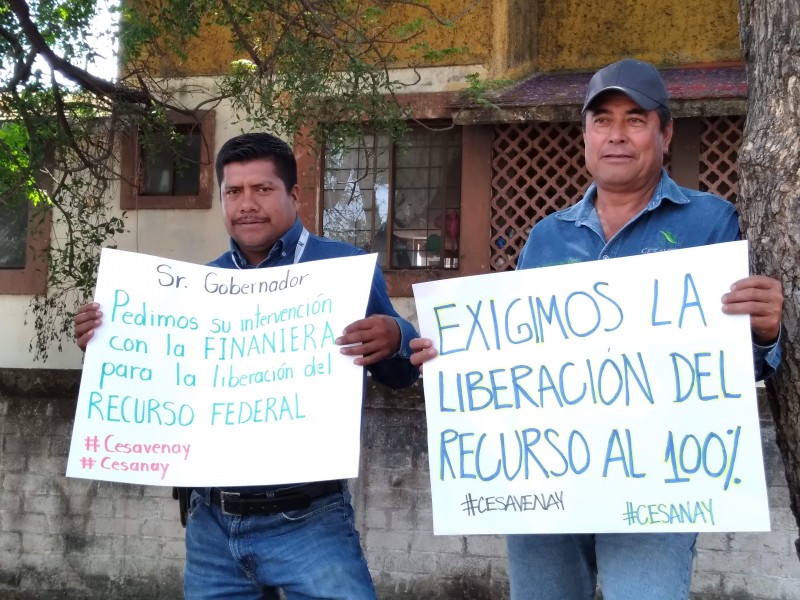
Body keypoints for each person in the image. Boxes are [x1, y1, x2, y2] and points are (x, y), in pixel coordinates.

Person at [410, 58, 784, 599]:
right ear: (584, 134)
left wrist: (763, 332)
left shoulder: (712, 223)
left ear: (665, 132)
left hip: (657, 481)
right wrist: (456, 359)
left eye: (635, 119)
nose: (617, 135)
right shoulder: (547, 236)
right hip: (547, 480)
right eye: (602, 120)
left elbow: (726, 369)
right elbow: (520, 358)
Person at [74, 132, 420, 600]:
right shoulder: (199, 285)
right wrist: (108, 343)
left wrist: (397, 336)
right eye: (233, 192)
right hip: (211, 525)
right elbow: (174, 385)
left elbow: (399, 377)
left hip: (310, 520)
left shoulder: (344, 269)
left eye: (262, 189)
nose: (247, 204)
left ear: (293, 195)